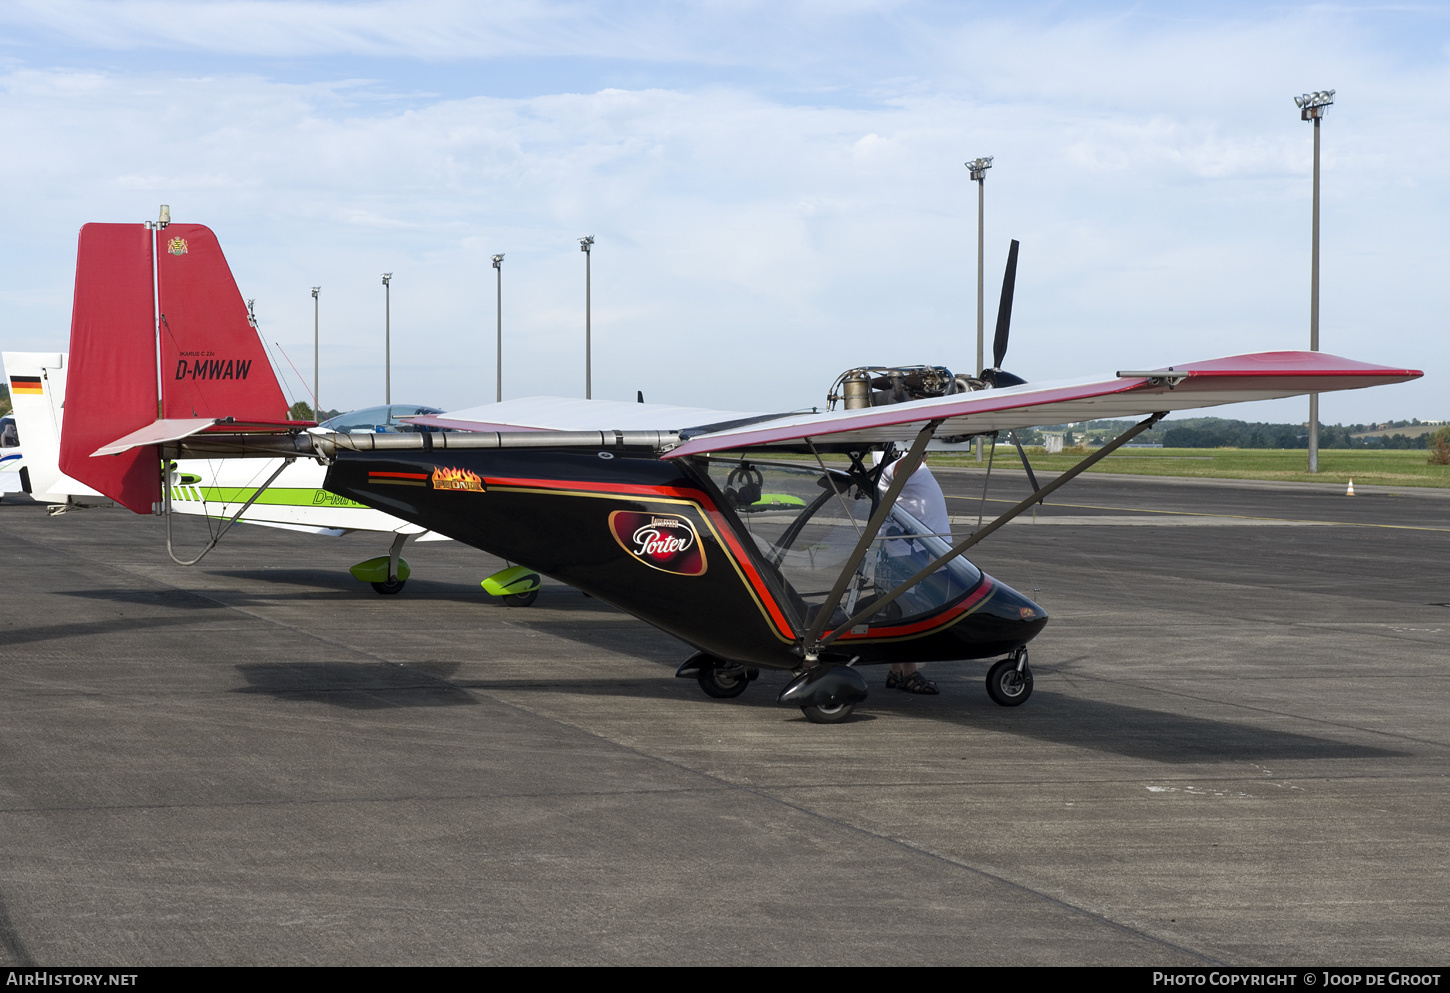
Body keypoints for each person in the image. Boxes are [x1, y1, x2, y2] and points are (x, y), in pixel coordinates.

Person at [872, 447, 951, 695]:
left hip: (914, 548)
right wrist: (921, 449)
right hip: (908, 551)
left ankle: (897, 672)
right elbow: (899, 471)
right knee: (911, 612)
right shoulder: (886, 461)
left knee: (899, 612)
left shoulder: (896, 455)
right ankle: (909, 674)